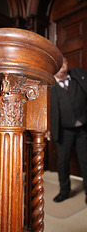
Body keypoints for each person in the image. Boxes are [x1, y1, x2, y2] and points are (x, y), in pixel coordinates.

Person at [50, 57, 87, 203]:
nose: (62, 66)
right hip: (64, 131)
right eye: (58, 65)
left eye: (64, 63)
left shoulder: (78, 78)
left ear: (67, 65)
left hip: (83, 130)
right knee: (63, 163)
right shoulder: (50, 86)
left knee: (86, 162)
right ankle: (64, 191)